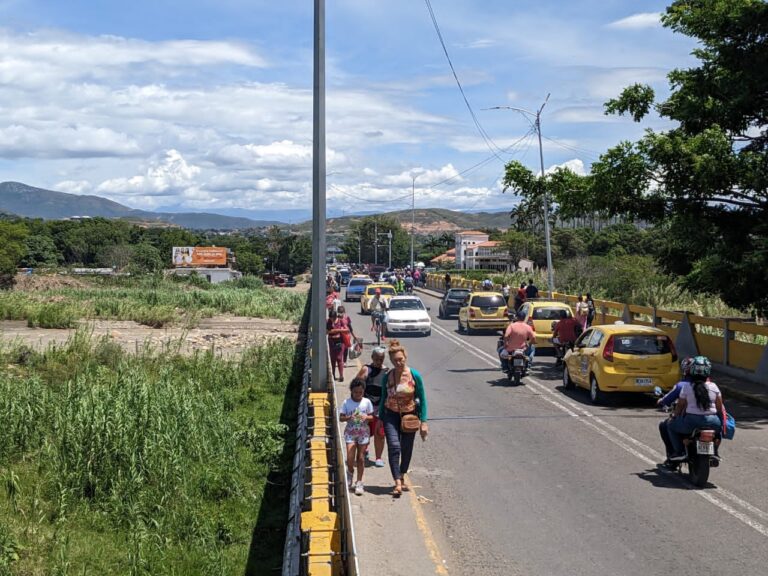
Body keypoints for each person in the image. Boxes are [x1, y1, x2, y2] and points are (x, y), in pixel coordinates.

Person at [379, 339, 428, 496]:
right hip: (390, 415)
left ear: (405, 357)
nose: (399, 363)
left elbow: (422, 398)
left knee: (406, 448)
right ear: (391, 361)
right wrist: (380, 419)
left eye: (401, 359)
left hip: (410, 416)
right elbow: (383, 397)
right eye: (395, 361)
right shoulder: (388, 376)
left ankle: (402, 473)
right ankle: (397, 482)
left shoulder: (414, 376)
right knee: (394, 446)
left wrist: (424, 422)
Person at [667, 356, 724, 461]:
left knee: (670, 426)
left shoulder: (687, 387)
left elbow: (680, 406)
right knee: (718, 430)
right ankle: (715, 451)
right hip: (713, 421)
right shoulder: (714, 387)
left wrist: (674, 416)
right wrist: (722, 422)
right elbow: (720, 408)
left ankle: (679, 452)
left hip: (691, 422)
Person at [339, 378, 374, 496]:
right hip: (350, 433)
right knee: (350, 456)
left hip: (363, 433)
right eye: (355, 392)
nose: (358, 395)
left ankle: (359, 482)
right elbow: (341, 417)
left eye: (360, 392)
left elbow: (372, 417)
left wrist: (366, 417)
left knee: (361, 458)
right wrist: (349, 417)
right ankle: (350, 472)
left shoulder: (367, 402)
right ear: (351, 391)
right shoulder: (346, 403)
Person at [658, 357, 694, 466]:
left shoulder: (682, 386)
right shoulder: (711, 385)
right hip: (709, 420)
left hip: (688, 419)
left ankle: (675, 455)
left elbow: (667, 400)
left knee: (666, 425)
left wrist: (661, 401)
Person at [356, 346, 389, 467]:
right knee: (364, 431)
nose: (379, 361)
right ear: (372, 358)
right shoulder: (366, 369)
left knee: (380, 433)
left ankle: (379, 458)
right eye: (377, 358)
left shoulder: (387, 372)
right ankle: (364, 451)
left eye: (381, 358)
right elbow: (357, 385)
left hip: (380, 408)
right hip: (366, 407)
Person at [327, 309, 349, 382]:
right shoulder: (328, 322)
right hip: (332, 342)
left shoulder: (340, 321)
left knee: (339, 358)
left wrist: (336, 330)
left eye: (332, 318)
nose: (331, 320)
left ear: (335, 317)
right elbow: (327, 331)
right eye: (330, 318)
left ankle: (341, 375)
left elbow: (347, 330)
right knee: (332, 359)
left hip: (340, 342)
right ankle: (333, 375)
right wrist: (339, 330)